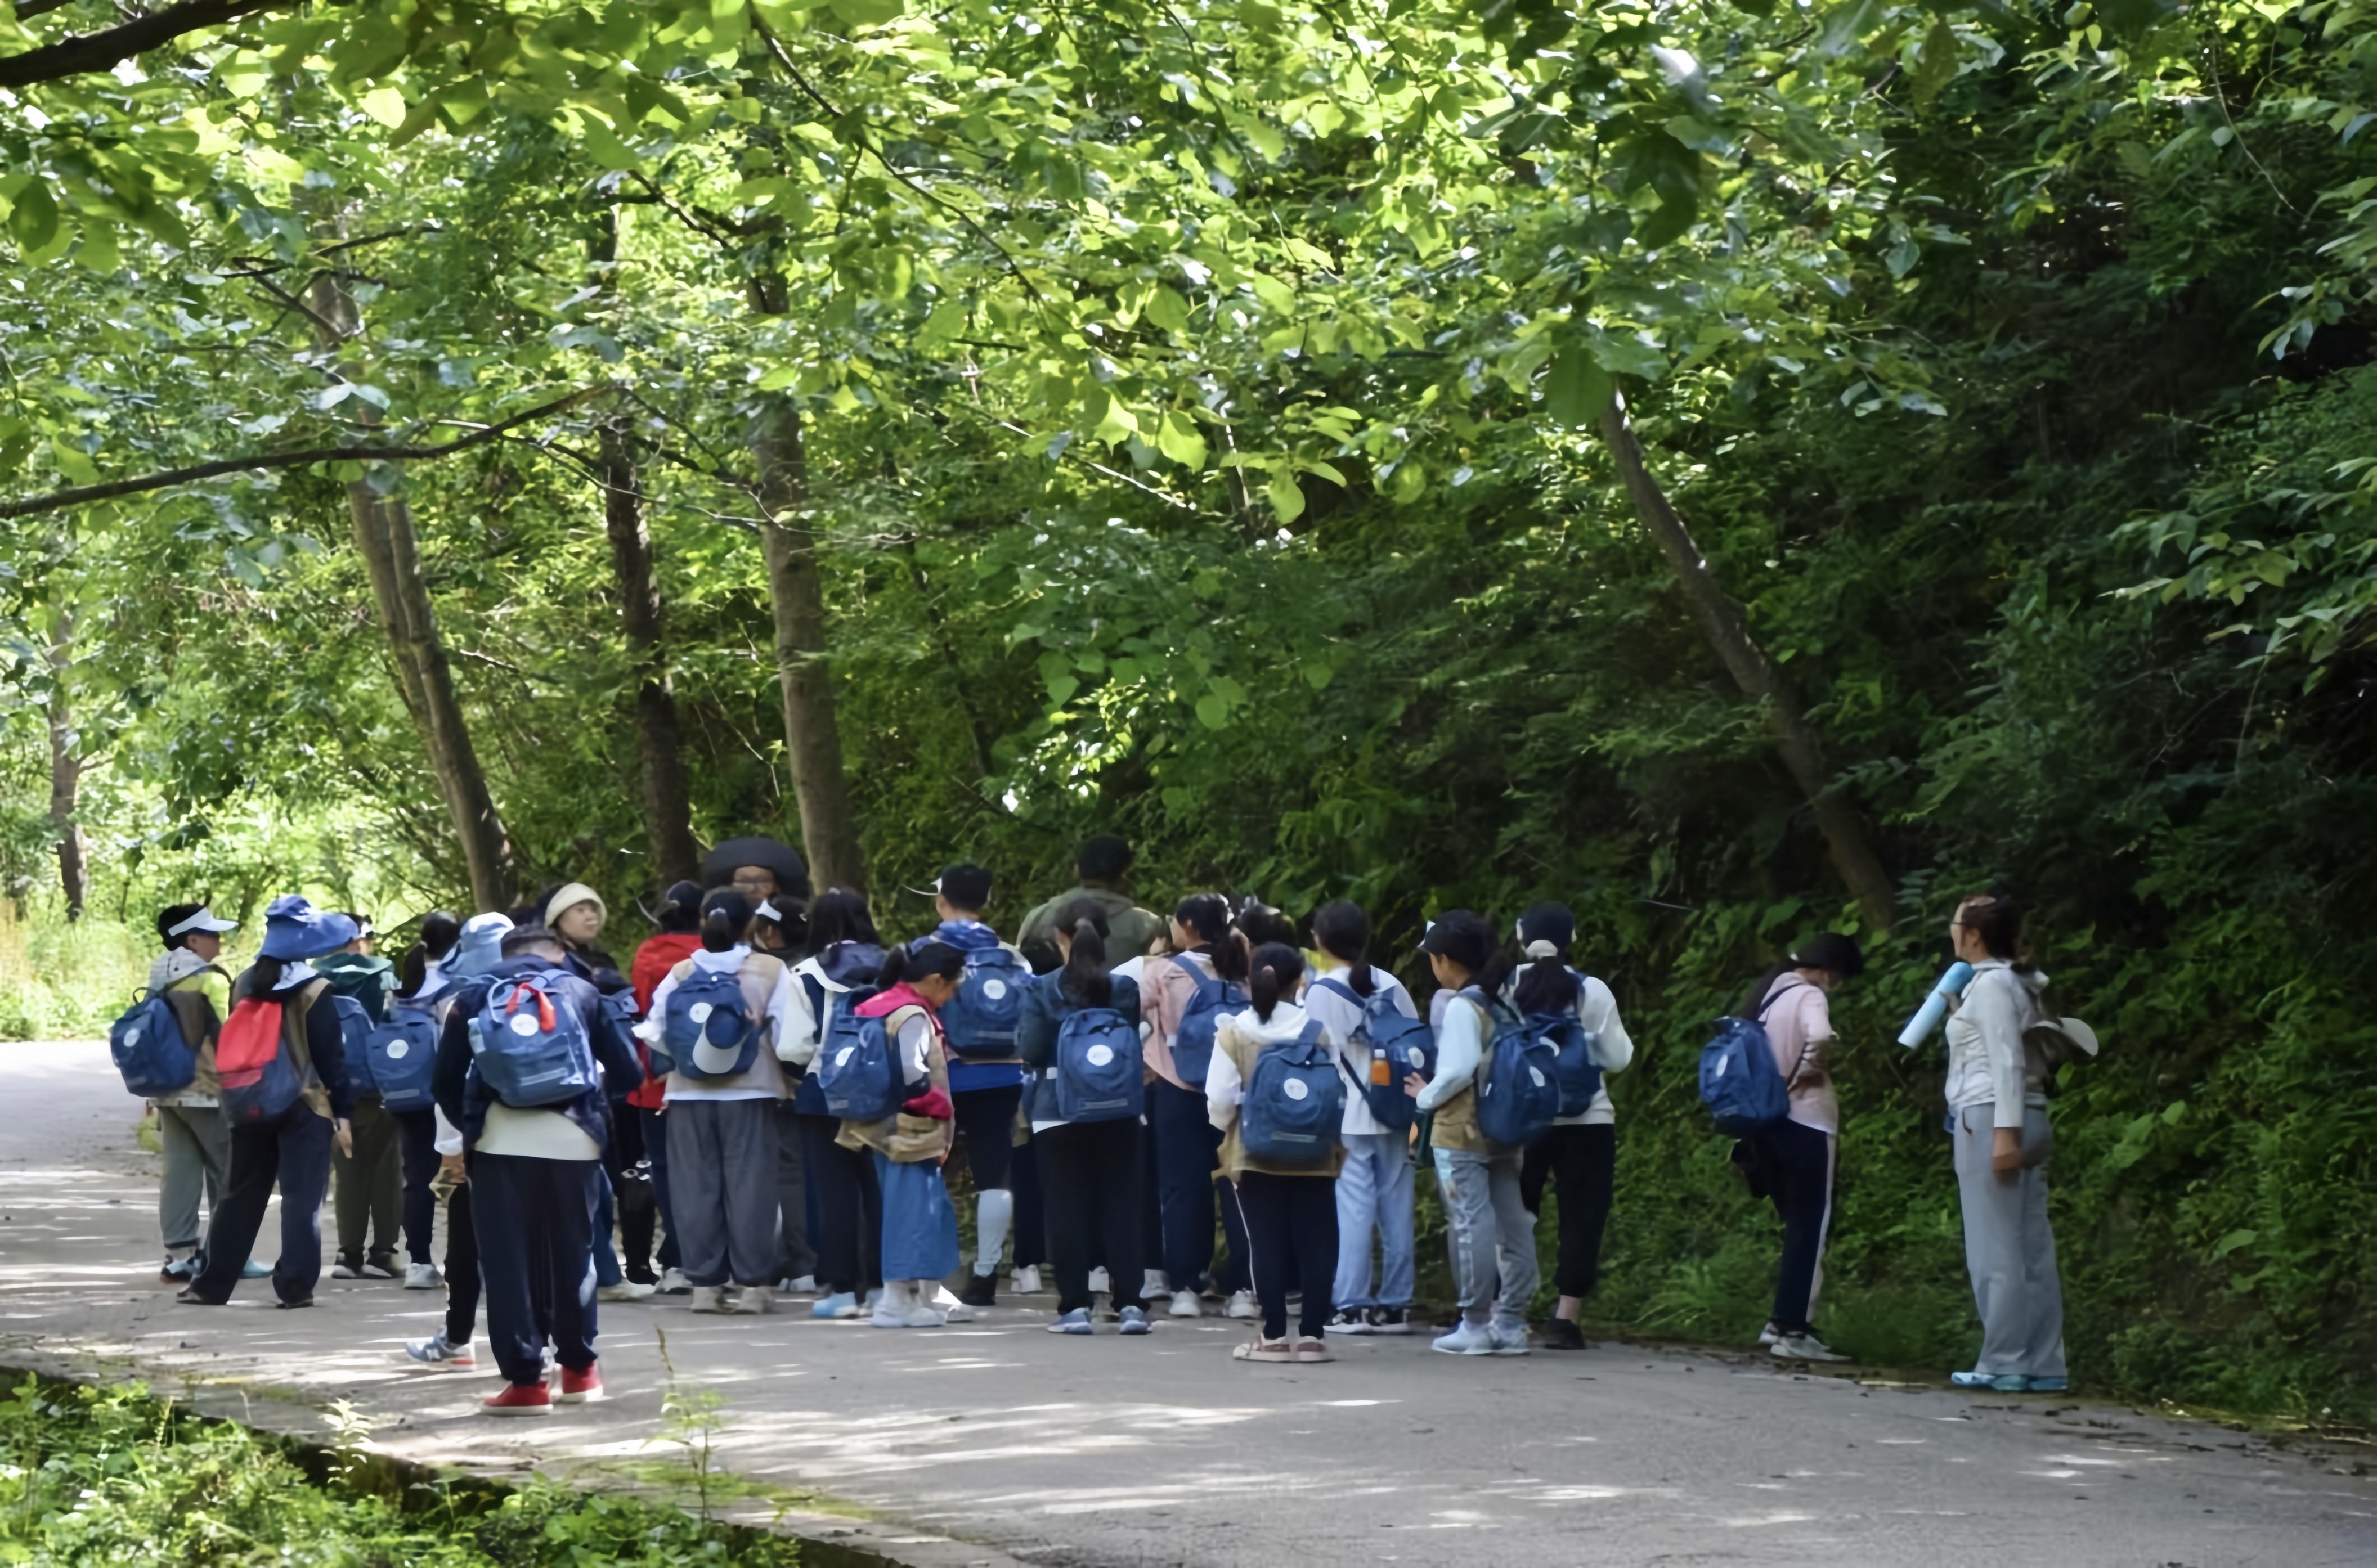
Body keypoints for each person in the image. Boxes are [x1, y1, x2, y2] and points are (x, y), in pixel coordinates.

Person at [430, 923, 645, 1416]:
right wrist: (587, 1102)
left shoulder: (472, 996)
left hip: (499, 1141)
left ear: (503, 954)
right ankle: (580, 1371)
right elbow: (629, 1072)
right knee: (575, 1252)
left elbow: (442, 1082)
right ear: (557, 953)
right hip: (574, 1139)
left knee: (508, 1261)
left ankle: (527, 1383)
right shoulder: (583, 992)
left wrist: (474, 1125)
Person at [178, 896, 359, 1309]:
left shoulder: (244, 982)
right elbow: (331, 1057)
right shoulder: (315, 989)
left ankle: (211, 1285)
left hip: (248, 1101)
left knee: (239, 1195)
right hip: (305, 1105)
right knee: (301, 1199)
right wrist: (343, 1113)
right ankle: (294, 1287)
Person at [639, 889, 797, 1315]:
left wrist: (689, 1060)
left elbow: (654, 1032)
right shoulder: (771, 969)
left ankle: (705, 1288)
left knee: (694, 1187)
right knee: (751, 1187)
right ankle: (753, 1288)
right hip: (752, 1091)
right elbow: (790, 1037)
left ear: (704, 920)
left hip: (687, 1093)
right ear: (751, 924)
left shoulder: (681, 971)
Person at [1944, 893, 2069, 1394]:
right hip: (2026, 1115)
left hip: (1991, 1117)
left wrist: (2004, 1133)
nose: (1952, 929)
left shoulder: (1993, 984)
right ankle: (2043, 1363)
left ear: (1974, 935)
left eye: (1956, 922)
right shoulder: (2013, 982)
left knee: (1994, 1250)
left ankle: (2004, 1361)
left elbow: (2006, 1060)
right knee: (2031, 1248)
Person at [1015, 899, 1150, 1335]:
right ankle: (1131, 1306)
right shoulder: (1124, 988)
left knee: (1065, 1208)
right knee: (1122, 1206)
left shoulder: (1042, 988)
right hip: (1120, 1109)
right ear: (1105, 937)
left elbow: (1032, 1049)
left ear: (1061, 939)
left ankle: (1075, 1308)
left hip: (1057, 1111)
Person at [1208, 941, 1345, 1364]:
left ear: (1252, 980)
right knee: (1317, 1241)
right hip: (1315, 1153)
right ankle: (1313, 1337)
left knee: (1264, 1242)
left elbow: (1219, 1099)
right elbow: (1337, 1090)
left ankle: (1274, 1338)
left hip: (1256, 1154)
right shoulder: (1317, 1031)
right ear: (1299, 981)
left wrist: (1229, 1129)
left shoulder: (1234, 1031)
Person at [1508, 902, 1636, 1351]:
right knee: (1582, 1215)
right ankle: (1566, 1318)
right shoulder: (1592, 989)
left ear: (1521, 937)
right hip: (1587, 1117)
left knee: (1513, 1212)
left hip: (1521, 1117)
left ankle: (1507, 1310)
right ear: (1573, 938)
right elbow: (1618, 1057)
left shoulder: (1504, 985)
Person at [1739, 930, 1865, 1364]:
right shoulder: (1810, 995)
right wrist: (1811, 1068)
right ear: (1829, 970)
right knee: (1811, 1228)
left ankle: (1779, 1321)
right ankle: (1794, 1327)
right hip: (1808, 1124)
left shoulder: (1770, 994)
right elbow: (1821, 1036)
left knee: (1796, 1225)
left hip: (1770, 1124)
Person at [911, 864, 1032, 1309]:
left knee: (926, 1169)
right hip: (1004, 1075)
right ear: (987, 901)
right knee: (994, 1174)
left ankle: (927, 1270)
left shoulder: (922, 952)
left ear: (941, 900)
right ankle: (985, 1274)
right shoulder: (1012, 956)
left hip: (941, 1075)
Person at [1416, 911, 1535, 1357]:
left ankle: (1475, 1322)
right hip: (1506, 1126)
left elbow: (1456, 1070)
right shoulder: (1505, 1002)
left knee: (1470, 1222)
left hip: (1462, 1130)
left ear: (1445, 960)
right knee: (1513, 1222)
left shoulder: (1462, 1006)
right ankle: (1513, 1321)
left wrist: (1424, 1098)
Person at [1302, 900, 1421, 1337]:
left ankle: (1351, 1305)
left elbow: (1312, 1052)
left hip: (1349, 1113)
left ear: (1321, 940)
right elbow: (1415, 1043)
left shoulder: (1320, 991)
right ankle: (1395, 1306)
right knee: (1397, 1206)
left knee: (1353, 1209)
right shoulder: (1391, 984)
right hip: (1396, 1110)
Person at [838, 940, 964, 1328]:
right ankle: (896, 1302)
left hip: (877, 1123)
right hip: (910, 1129)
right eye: (953, 987)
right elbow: (914, 1077)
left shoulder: (877, 1003)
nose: (951, 997)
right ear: (936, 980)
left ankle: (916, 1296)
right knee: (912, 1212)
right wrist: (941, 1109)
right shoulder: (911, 1013)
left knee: (906, 1208)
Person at [1141, 892, 1253, 1319]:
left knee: (1182, 1189)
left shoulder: (1164, 971)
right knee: (1238, 1187)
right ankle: (1245, 1289)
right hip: (1237, 1094)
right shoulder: (1242, 970)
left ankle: (1186, 1287)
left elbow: (1134, 1010)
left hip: (1178, 1089)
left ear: (1188, 925)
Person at [405, 911, 507, 1372]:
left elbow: (450, 1081)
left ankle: (459, 1337)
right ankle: (537, 1343)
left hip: (471, 1139)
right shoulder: (538, 992)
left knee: (465, 1243)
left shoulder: (461, 1000)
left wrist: (451, 1147)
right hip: (529, 1140)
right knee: (522, 1246)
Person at [786, 890, 889, 1320]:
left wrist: (802, 1075)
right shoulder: (893, 966)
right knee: (881, 1190)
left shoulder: (805, 973)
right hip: (884, 1092)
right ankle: (883, 1288)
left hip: (822, 1094)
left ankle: (842, 1290)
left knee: (834, 1194)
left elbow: (792, 1046)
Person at [147, 902, 240, 1285]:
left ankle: (180, 1258)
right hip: (206, 1088)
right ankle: (228, 1256)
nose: (219, 941)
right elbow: (227, 1037)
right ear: (192, 940)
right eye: (213, 934)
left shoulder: (158, 971)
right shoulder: (212, 979)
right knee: (228, 1171)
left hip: (165, 1088)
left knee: (180, 1172)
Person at [628, 882, 704, 1292]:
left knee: (665, 1168)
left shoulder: (649, 953)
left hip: (657, 1078)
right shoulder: (719, 953)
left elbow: (641, 1008)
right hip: (714, 1077)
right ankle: (707, 1256)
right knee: (707, 1167)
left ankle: (678, 1261)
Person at [319, 916, 403, 1282]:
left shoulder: (314, 977)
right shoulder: (383, 974)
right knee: (387, 1172)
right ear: (359, 939)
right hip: (380, 1086)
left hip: (333, 1090)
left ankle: (347, 1254)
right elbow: (398, 1024)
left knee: (348, 1171)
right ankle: (382, 1253)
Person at [390, 912, 461, 1290]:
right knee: (461, 1176)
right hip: (447, 1092)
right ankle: (464, 1259)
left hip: (408, 1091)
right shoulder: (456, 984)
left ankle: (418, 1262)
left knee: (417, 1178)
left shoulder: (405, 985)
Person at [751, 897, 817, 1293]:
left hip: (776, 1084)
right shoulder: (818, 964)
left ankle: (798, 1260)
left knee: (786, 1175)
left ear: (771, 930)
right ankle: (817, 1260)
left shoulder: (766, 969)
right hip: (824, 1084)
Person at [1016, 835, 1166, 971]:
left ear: (1077, 869)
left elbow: (1017, 970)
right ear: (1125, 874)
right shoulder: (1145, 925)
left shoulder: (1040, 916)